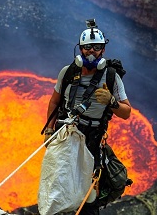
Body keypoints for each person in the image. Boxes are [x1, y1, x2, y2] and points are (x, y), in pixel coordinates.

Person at [43, 19, 131, 215]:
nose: (92, 52)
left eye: (97, 48)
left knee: (89, 190)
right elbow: (54, 102)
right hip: (65, 132)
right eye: (88, 48)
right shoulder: (67, 72)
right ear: (80, 49)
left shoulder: (111, 77)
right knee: (59, 179)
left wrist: (112, 101)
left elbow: (126, 112)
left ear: (103, 51)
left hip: (92, 137)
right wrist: (49, 129)